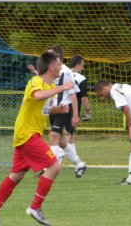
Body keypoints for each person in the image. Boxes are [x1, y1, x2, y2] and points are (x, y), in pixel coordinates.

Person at [0, 51, 74, 226]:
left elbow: (43, 108)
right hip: (27, 134)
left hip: (30, 134)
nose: (62, 66)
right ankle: (35, 207)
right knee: (54, 166)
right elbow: (37, 96)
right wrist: (63, 88)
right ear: (51, 66)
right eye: (60, 63)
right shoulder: (36, 82)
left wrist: (58, 110)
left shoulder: (49, 86)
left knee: (16, 176)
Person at [27, 45, 88, 178]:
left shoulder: (65, 72)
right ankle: (79, 164)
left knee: (53, 137)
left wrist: (75, 115)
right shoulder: (51, 71)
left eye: (51, 55)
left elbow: (73, 94)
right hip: (53, 109)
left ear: (58, 57)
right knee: (61, 142)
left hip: (64, 109)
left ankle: (49, 167)